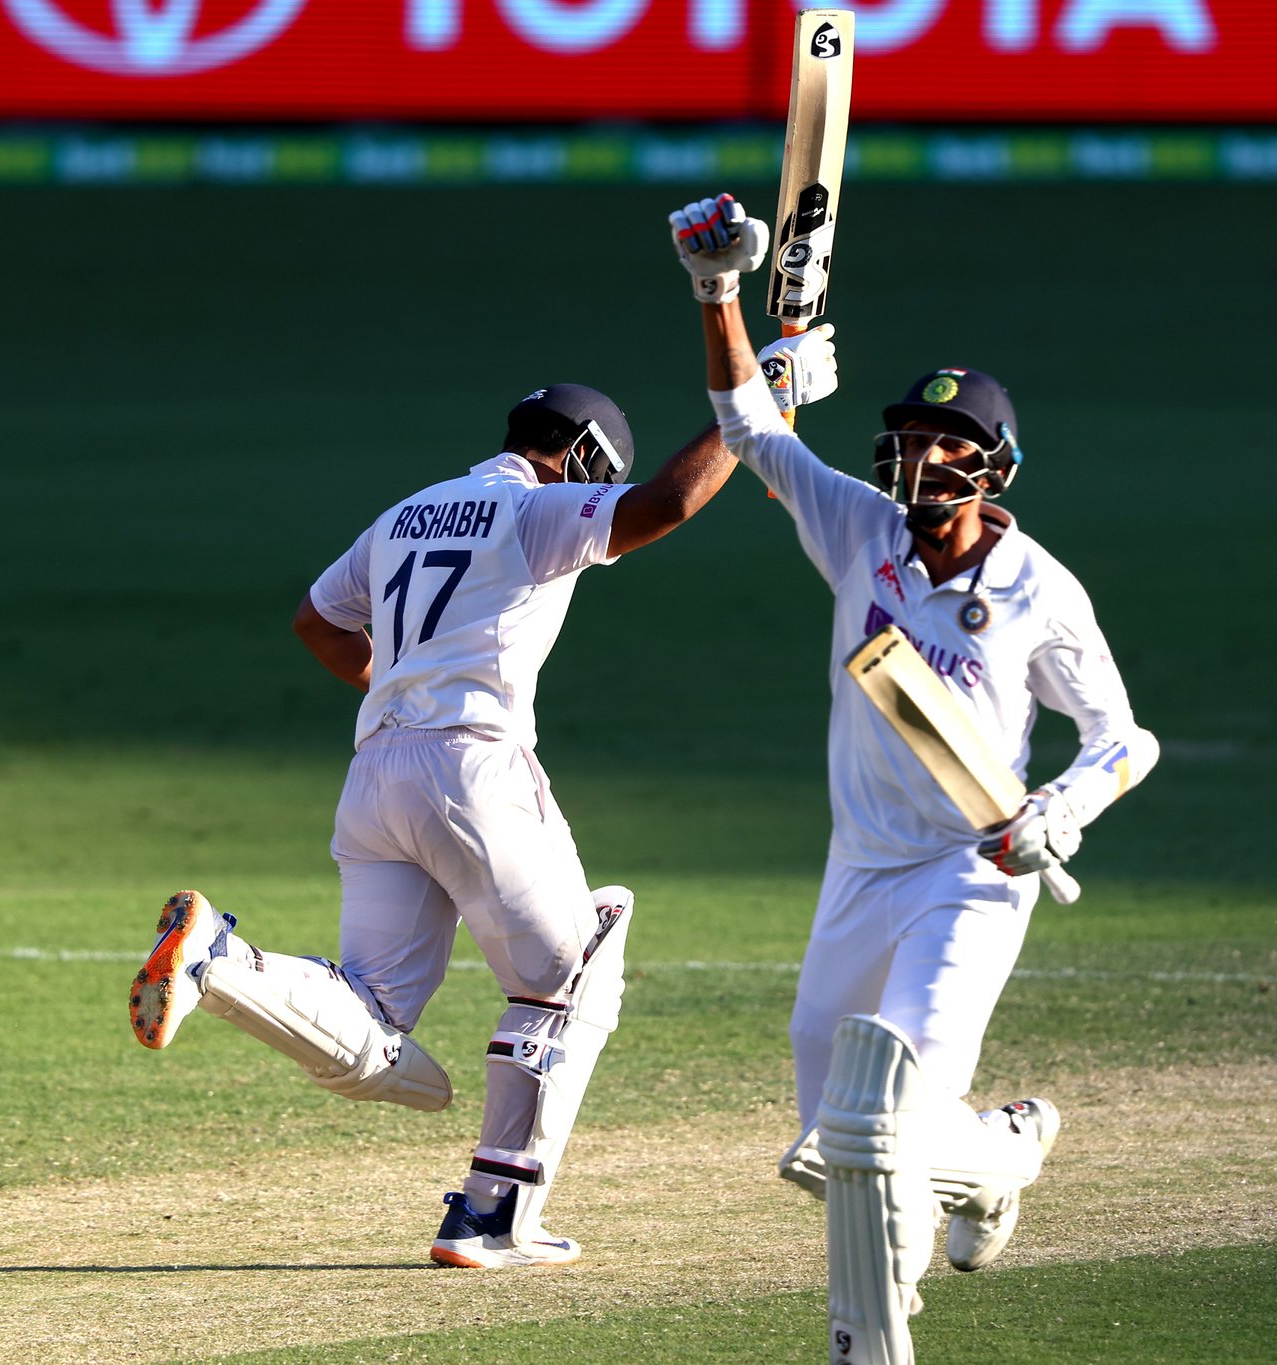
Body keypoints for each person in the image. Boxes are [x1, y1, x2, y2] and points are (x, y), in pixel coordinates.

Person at [127, 371, 807, 1268]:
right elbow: (667, 504)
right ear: (583, 459)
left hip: (376, 777)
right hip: (473, 769)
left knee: (374, 1021)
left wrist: (404, 687)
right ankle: (493, 1216)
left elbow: (317, 622)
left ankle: (222, 961)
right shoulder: (535, 512)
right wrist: (754, 412)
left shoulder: (409, 512)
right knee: (573, 977)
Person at [667, 193, 1161, 1272]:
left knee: (882, 1124)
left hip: (971, 869)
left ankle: (897, 1298)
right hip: (859, 867)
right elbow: (752, 428)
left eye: (948, 444)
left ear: (995, 470)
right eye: (909, 437)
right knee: (821, 1142)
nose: (920, 459)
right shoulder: (859, 530)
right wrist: (718, 292)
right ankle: (1000, 1152)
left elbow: (1124, 738)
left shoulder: (1038, 590)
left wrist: (1056, 809)